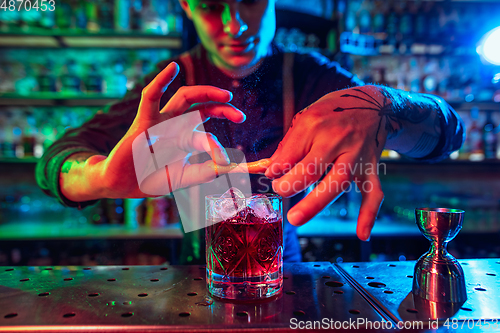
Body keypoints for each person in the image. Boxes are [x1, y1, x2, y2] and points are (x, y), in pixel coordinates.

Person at [36, 0, 464, 263]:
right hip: (196, 267)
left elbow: (448, 133)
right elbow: (56, 158)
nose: (234, 25)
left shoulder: (312, 78)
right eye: (209, 5)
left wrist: (384, 104)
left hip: (284, 264)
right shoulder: (170, 84)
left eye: (250, 0)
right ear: (186, 5)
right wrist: (99, 178)